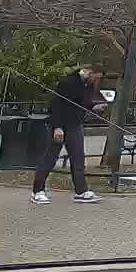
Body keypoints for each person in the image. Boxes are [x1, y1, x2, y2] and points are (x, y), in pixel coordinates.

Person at [35, 64, 106, 204]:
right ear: (89, 72)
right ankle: (38, 191)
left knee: (78, 158)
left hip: (75, 125)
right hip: (60, 125)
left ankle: (81, 191)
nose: (95, 81)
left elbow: (82, 103)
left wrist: (94, 106)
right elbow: (56, 105)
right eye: (95, 77)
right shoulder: (67, 82)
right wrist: (58, 127)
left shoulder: (87, 85)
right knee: (50, 157)